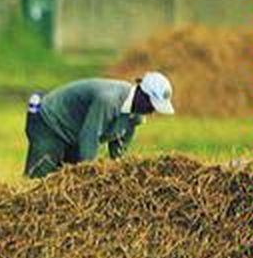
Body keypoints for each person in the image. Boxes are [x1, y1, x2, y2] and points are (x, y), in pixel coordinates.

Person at [23, 71, 174, 179]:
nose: (152, 111)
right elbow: (90, 137)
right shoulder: (109, 100)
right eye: (152, 105)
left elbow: (119, 149)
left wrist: (120, 175)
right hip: (50, 123)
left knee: (68, 181)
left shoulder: (137, 115)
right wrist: (91, 175)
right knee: (40, 180)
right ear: (142, 95)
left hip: (74, 133)